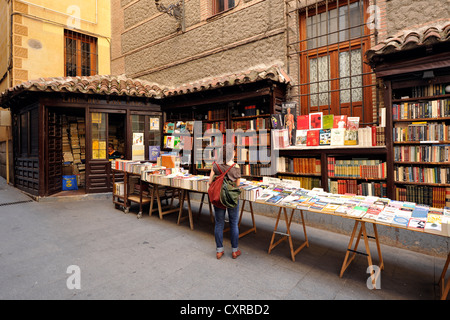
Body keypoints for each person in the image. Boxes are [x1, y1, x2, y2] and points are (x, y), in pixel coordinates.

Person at [208, 143, 241, 260]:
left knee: (219, 223)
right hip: (232, 198)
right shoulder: (236, 167)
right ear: (233, 153)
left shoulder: (215, 165)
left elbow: (210, 181)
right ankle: (234, 250)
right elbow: (237, 184)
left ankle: (219, 251)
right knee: (233, 223)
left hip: (218, 197)